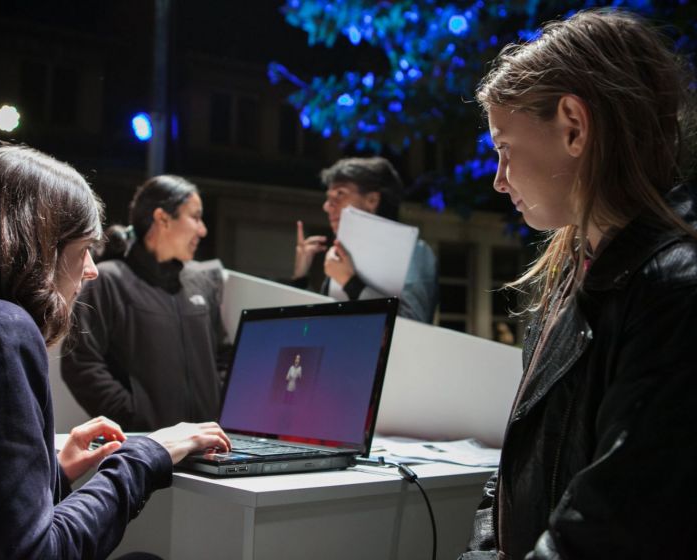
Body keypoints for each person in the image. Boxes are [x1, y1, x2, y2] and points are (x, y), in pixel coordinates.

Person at [0, 145, 230, 559]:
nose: (90, 268)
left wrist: (52, 475)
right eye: (84, 247)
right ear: (43, 245)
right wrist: (146, 455)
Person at [460, 9, 697, 559]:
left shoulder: (675, 289)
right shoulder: (570, 273)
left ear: (573, 125)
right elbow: (516, 467)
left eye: (504, 148)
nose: (499, 180)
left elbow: (613, 527)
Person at [62, 175, 226, 432]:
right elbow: (81, 363)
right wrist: (135, 418)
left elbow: (222, 357)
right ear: (162, 218)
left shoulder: (200, 282)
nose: (202, 229)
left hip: (207, 446)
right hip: (144, 451)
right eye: (195, 217)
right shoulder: (109, 280)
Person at [291, 156, 438, 323]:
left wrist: (349, 282)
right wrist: (301, 276)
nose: (327, 205)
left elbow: (414, 324)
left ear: (372, 200)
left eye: (340, 194)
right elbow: (316, 326)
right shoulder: (340, 255)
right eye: (328, 197)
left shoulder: (414, 251)